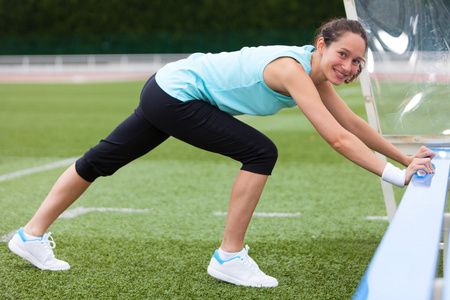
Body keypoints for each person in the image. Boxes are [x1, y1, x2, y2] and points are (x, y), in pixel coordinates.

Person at [8, 18, 435, 287]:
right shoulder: (292, 69)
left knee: (98, 161)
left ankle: (29, 235)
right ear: (321, 45)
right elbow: (337, 139)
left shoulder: (315, 75)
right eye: (343, 54)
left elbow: (354, 126)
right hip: (176, 94)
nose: (350, 67)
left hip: (167, 87)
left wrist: (406, 157)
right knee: (260, 152)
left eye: (358, 62)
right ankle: (229, 257)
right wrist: (397, 177)